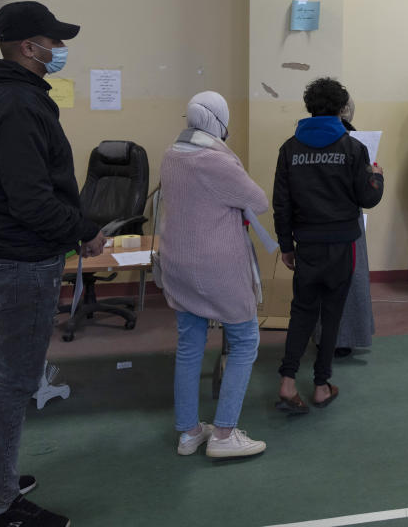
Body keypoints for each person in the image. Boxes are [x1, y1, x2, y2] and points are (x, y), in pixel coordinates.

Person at [0, 1, 106, 527]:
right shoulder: (17, 104)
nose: (59, 50)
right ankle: (0, 509)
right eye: (53, 42)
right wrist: (82, 233)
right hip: (22, 261)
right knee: (14, 384)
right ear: (28, 47)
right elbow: (31, 200)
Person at [160, 91, 269, 458]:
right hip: (217, 268)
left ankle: (189, 432)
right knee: (245, 340)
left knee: (190, 346)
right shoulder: (216, 162)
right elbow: (259, 201)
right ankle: (223, 434)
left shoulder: (172, 154)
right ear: (219, 123)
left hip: (178, 263)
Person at [273, 78, 384, 413]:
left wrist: (286, 246)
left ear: (310, 107)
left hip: (306, 243)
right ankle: (321, 386)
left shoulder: (290, 149)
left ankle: (288, 383)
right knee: (332, 313)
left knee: (302, 312)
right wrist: (377, 177)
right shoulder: (353, 148)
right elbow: (367, 197)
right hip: (341, 244)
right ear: (340, 108)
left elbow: (282, 204)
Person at [313, 97, 376, 357]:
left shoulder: (301, 141)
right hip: (347, 223)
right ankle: (345, 339)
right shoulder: (355, 143)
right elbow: (366, 194)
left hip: (313, 223)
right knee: (351, 278)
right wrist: (377, 178)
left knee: (318, 283)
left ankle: (320, 337)